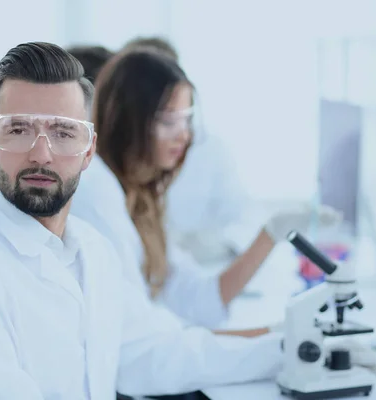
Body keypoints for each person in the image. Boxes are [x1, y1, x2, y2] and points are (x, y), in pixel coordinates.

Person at [0, 42, 287, 400]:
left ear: (88, 151)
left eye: (64, 133)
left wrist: (287, 349)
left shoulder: (92, 252)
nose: (42, 154)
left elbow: (147, 354)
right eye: (18, 130)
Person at [70, 49, 342, 330]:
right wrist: (276, 341)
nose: (184, 135)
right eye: (169, 121)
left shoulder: (140, 200)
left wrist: (270, 234)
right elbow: (143, 339)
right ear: (127, 121)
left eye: (186, 119)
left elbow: (198, 298)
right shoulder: (97, 194)